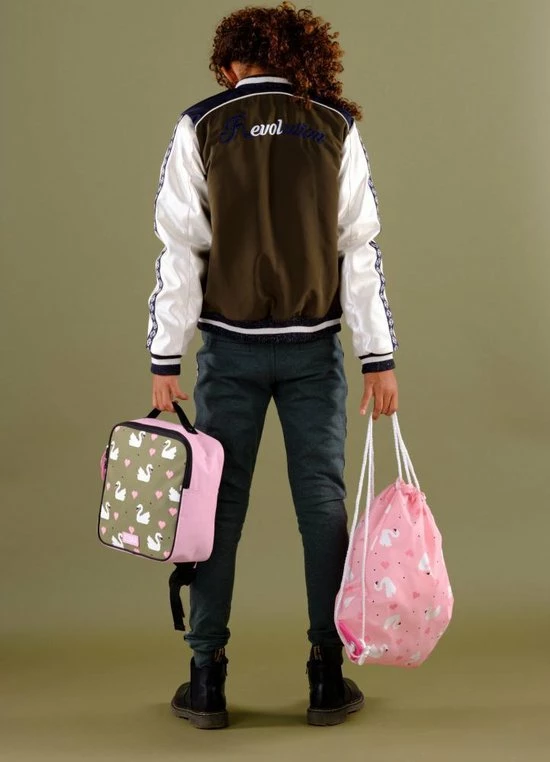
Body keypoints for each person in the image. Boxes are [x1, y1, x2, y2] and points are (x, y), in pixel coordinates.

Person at [146, 1, 399, 729]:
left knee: (215, 510)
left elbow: (180, 252)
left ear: (231, 64)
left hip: (228, 353)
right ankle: (327, 677)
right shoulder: (334, 124)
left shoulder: (201, 123)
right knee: (321, 505)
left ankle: (206, 681)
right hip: (315, 351)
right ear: (295, 57)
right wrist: (377, 357)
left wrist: (165, 356)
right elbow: (359, 251)